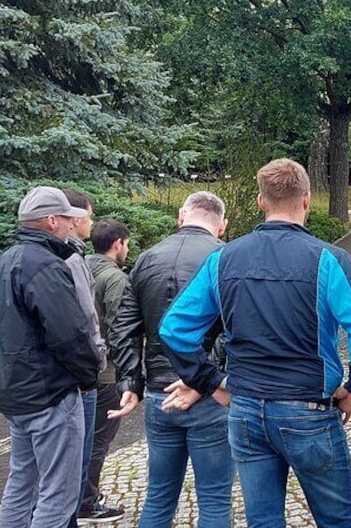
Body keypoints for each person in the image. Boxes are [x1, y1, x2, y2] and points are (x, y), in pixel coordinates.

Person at [159, 158, 351, 527]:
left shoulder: (223, 258)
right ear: (307, 201)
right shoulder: (329, 259)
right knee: (338, 521)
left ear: (261, 201)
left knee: (263, 521)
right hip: (308, 410)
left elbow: (174, 329)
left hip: (246, 409)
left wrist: (210, 382)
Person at [107, 192, 233, 527]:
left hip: (159, 393)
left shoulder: (147, 258)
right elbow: (237, 328)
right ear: (222, 226)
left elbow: (124, 327)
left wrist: (130, 382)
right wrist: (203, 378)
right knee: (216, 499)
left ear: (181, 217)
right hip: (207, 394)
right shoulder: (225, 259)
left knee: (159, 496)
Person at [0, 186, 101, 528]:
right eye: (67, 218)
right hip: (49, 394)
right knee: (58, 495)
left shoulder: (6, 260)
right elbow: (71, 335)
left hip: (17, 393)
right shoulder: (46, 265)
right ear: (52, 221)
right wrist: (88, 376)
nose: (71, 225)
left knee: (22, 485)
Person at [61, 189, 118, 527]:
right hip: (92, 375)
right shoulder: (72, 262)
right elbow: (95, 324)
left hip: (77, 374)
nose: (91, 221)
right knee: (92, 443)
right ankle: (85, 500)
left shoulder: (81, 260)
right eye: (89, 215)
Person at [80, 219, 131, 523]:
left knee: (82, 438)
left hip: (79, 370)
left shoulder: (80, 266)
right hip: (105, 372)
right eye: (127, 243)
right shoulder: (114, 278)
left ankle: (78, 495)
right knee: (98, 440)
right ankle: (86, 501)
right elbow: (118, 327)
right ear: (117, 244)